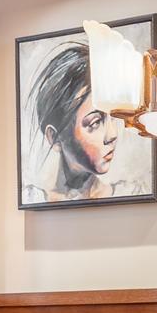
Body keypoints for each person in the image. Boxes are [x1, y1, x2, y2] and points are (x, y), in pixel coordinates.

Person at [24, 41, 131, 202]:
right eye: (95, 123)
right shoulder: (32, 198)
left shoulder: (128, 193)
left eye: (113, 117)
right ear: (54, 138)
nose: (112, 134)